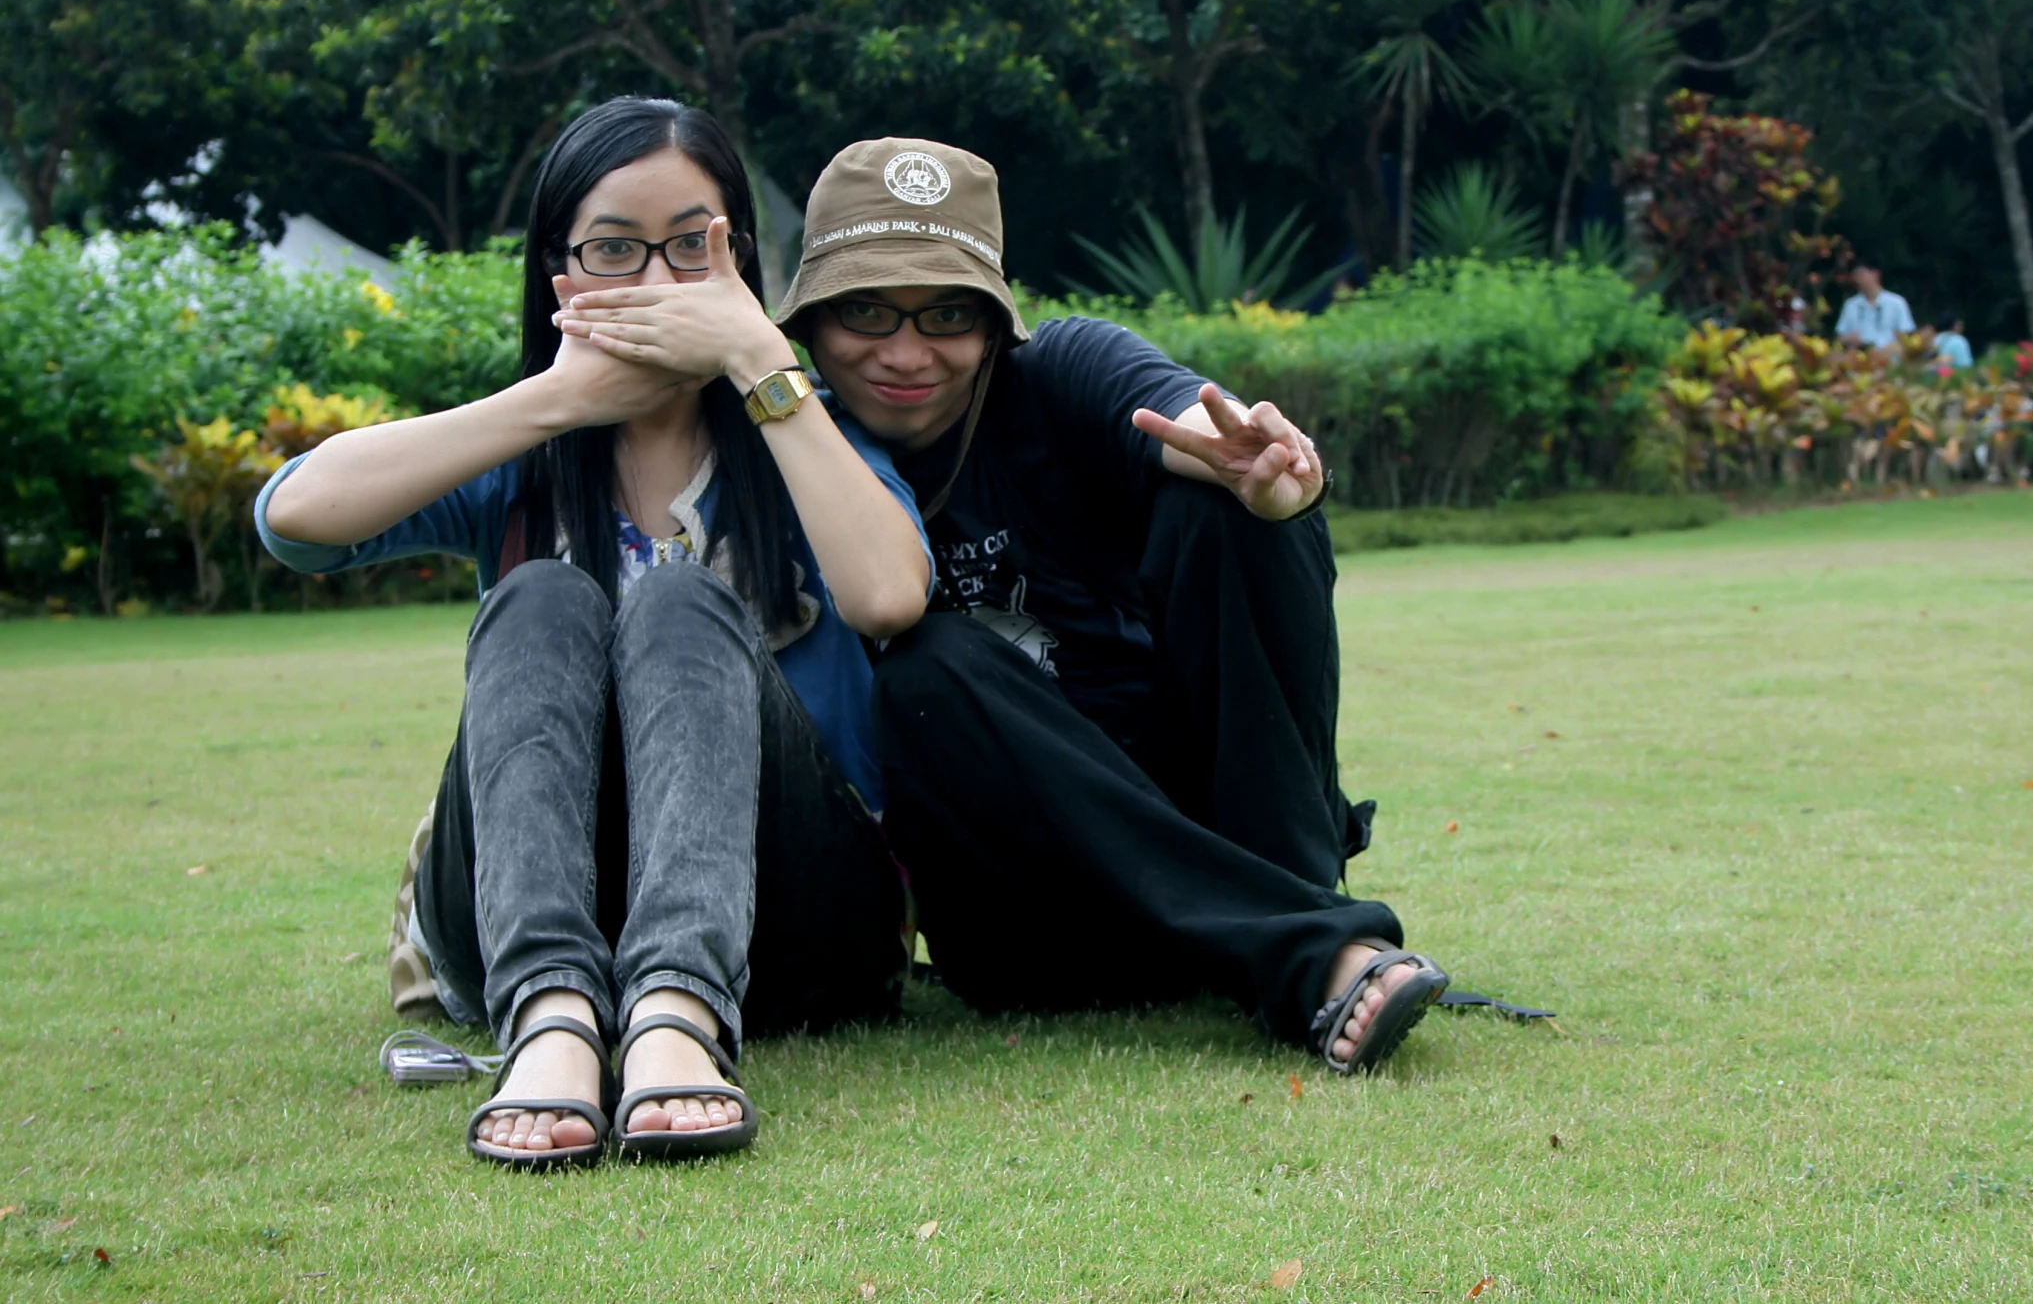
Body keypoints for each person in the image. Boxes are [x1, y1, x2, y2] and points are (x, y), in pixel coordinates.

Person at [570, 137, 1448, 1077]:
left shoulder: (1060, 370)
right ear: (808, 322)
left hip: (1212, 818)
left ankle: (1296, 912)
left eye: (947, 314)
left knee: (1228, 503)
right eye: (864, 312)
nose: (906, 353)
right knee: (927, 664)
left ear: (995, 322)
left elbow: (1187, 417)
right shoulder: (782, 438)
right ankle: (1313, 947)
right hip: (1031, 918)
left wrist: (1273, 478)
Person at [257, 99, 931, 1168]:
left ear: (741, 262)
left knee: (672, 596)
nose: (658, 281)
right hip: (530, 913)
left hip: (794, 925)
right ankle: (554, 1017)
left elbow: (891, 594)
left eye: (692, 247)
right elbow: (294, 517)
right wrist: (550, 402)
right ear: (561, 271)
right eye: (616, 249)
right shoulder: (527, 459)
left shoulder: (802, 439)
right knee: (542, 596)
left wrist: (760, 359)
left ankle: (675, 1013)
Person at [1833, 263, 1915, 352]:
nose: (1858, 280)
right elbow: (1840, 336)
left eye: (1861, 274)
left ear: (1875, 274)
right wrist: (1849, 338)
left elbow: (1906, 333)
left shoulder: (1897, 302)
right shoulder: (1851, 304)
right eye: (1855, 276)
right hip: (1859, 354)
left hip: (1889, 354)